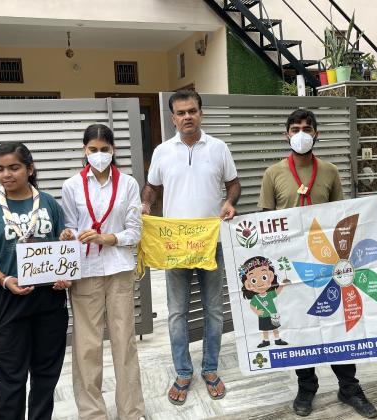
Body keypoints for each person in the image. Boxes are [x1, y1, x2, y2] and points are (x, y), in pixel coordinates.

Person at [258, 109, 377, 418]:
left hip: (327, 264)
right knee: (300, 326)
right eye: (295, 129)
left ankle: (349, 387)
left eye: (307, 128)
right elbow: (264, 222)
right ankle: (306, 387)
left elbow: (340, 216)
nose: (301, 134)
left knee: (336, 324)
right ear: (286, 135)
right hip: (293, 266)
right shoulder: (273, 173)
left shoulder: (330, 171)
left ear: (316, 134)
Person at [141, 90, 241, 405]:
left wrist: (229, 202)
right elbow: (152, 187)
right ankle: (183, 372)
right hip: (175, 245)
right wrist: (146, 204)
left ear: (201, 113)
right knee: (176, 313)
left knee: (214, 310)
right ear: (172, 118)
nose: (187, 117)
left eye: (192, 111)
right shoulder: (162, 151)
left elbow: (234, 184)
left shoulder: (219, 148)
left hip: (211, 242)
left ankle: (210, 369)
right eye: (181, 112)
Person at [0, 142, 70, 420]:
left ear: (30, 169)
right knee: (10, 379)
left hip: (49, 301)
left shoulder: (48, 203)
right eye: (0, 169)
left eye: (13, 168)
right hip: (8, 300)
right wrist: (4, 279)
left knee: (46, 375)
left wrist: (64, 274)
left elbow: (62, 246)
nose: (6, 175)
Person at [59, 124, 146, 420]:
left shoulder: (128, 184)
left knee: (124, 342)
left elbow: (135, 232)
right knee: (87, 345)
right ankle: (92, 413)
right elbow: (70, 226)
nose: (99, 155)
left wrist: (107, 238)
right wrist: (69, 235)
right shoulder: (72, 185)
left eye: (104, 149)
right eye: (93, 149)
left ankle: (131, 411)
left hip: (119, 269)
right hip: (85, 271)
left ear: (113, 150)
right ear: (84, 150)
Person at [239, 256, 289, 348]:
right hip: (262, 316)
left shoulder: (269, 294)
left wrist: (282, 285)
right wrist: (257, 311)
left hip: (273, 314)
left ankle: (277, 339)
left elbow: (276, 292)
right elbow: (252, 305)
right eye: (253, 280)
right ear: (248, 285)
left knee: (275, 328)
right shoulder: (255, 298)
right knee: (265, 329)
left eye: (264, 277)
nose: (260, 283)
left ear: (270, 276)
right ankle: (266, 341)